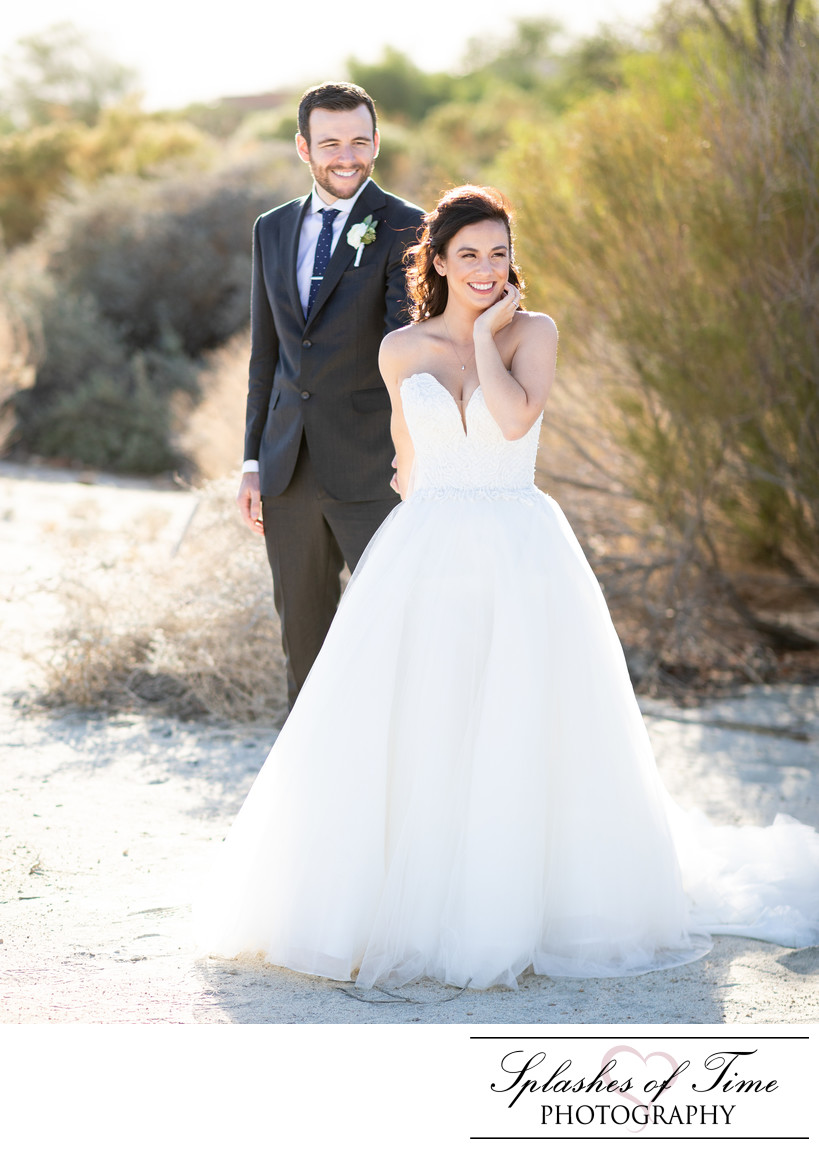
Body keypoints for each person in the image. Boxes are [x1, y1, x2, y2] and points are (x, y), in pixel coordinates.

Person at [195, 186, 819, 990]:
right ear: (437, 262)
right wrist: (411, 515)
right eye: (468, 255)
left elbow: (516, 418)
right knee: (424, 718)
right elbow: (406, 452)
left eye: (498, 253)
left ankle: (518, 899)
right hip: (429, 547)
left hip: (520, 548)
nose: (485, 268)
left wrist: (488, 335)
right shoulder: (400, 348)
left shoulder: (534, 332)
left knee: (518, 718)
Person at [237, 81, 424, 708]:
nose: (347, 157)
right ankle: (305, 768)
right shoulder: (271, 229)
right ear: (303, 148)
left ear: (377, 142)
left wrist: (414, 453)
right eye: (331, 143)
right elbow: (266, 354)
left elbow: (407, 345)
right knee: (303, 639)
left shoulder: (407, 226)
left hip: (375, 464)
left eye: (359, 142)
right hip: (287, 468)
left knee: (390, 632)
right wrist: (252, 461)